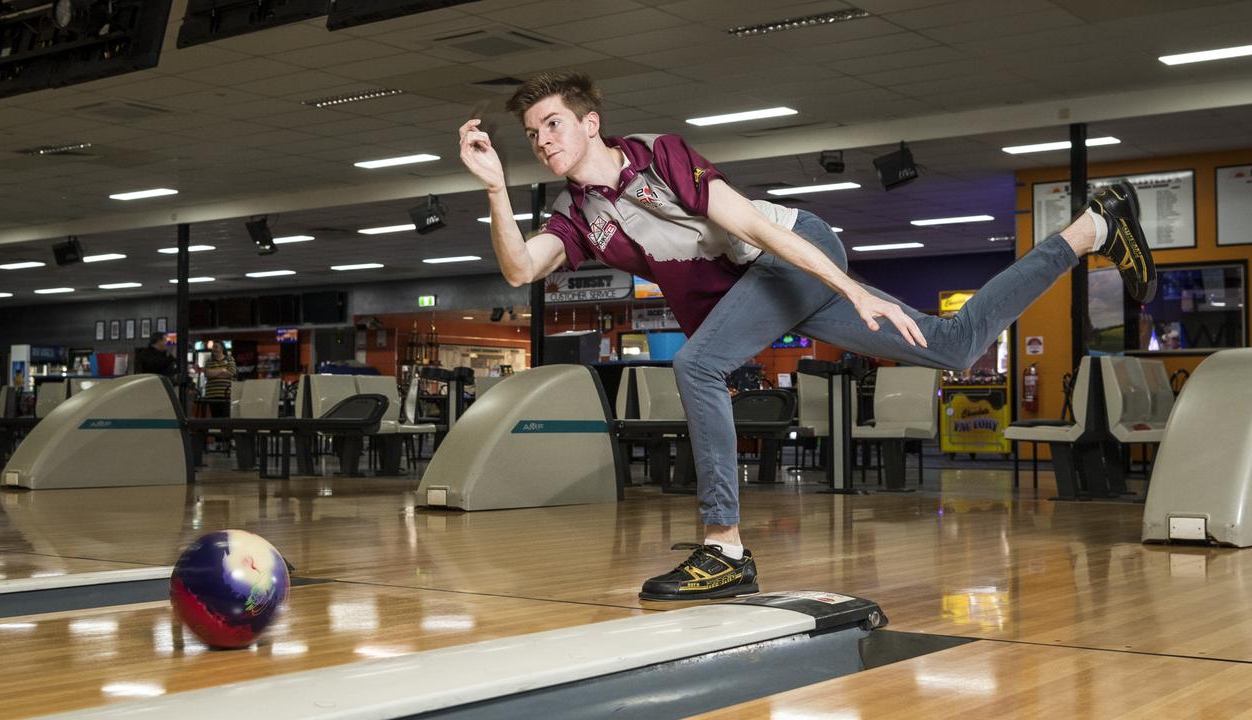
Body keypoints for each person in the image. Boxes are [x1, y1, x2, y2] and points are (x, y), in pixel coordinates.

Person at [457, 71, 1155, 602]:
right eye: (534, 136)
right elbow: (521, 269)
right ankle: (1094, 226)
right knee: (953, 344)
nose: (544, 141)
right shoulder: (578, 216)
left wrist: (848, 287)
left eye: (553, 125)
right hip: (763, 293)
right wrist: (494, 188)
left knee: (697, 365)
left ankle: (724, 550)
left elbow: (756, 229)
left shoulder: (659, 158)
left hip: (790, 256)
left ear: (590, 123)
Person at [202, 342, 237, 418]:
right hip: (212, 395)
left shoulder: (229, 359)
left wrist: (214, 373)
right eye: (213, 347)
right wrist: (222, 370)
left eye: (216, 347)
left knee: (226, 418)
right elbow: (207, 374)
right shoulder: (209, 361)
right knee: (215, 418)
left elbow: (232, 373)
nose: (213, 349)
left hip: (226, 395)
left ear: (222, 348)